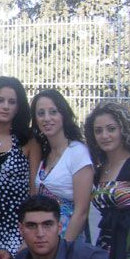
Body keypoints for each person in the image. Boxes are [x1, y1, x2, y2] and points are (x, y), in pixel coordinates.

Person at [0, 77, 40, 259]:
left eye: (12, 102)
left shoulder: (28, 141)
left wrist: (27, 235)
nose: (6, 106)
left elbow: (34, 190)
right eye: (0, 100)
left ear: (18, 107)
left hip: (18, 228)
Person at [85, 101, 130, 259]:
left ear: (123, 129)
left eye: (111, 129)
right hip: (106, 245)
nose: (104, 135)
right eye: (98, 131)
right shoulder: (100, 169)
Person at [31, 89, 93, 242]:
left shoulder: (77, 152)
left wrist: (63, 249)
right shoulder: (45, 153)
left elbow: (81, 211)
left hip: (69, 241)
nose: (47, 118)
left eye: (53, 112)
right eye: (41, 113)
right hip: (44, 239)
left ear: (63, 115)